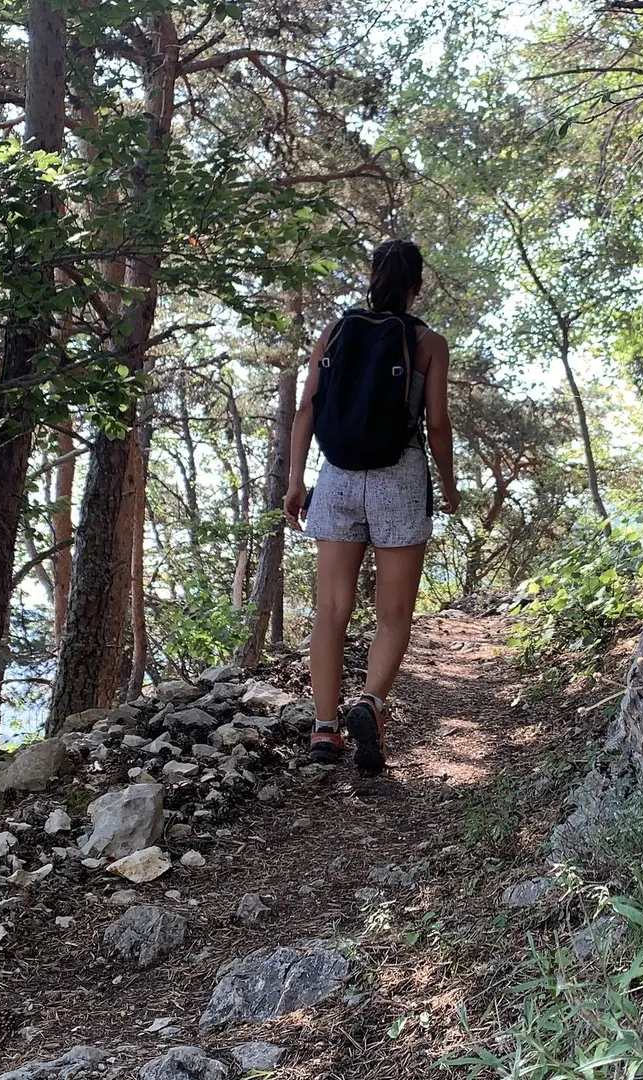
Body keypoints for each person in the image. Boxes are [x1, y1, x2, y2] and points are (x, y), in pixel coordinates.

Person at [283, 239, 460, 775]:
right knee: (393, 614)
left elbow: (306, 411)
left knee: (331, 611)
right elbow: (436, 424)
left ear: (371, 277)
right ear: (417, 287)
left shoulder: (335, 332)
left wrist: (296, 482)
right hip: (399, 478)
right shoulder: (428, 342)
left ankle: (324, 728)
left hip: (335, 477)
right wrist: (450, 488)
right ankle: (370, 704)